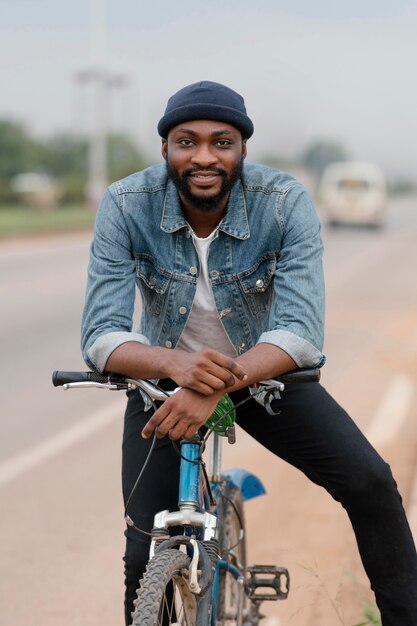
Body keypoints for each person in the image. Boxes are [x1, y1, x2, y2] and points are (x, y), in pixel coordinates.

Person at [81, 80, 417, 625]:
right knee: (143, 553)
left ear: (242, 150)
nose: (204, 156)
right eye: (186, 142)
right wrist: (173, 366)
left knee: (371, 483)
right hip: (161, 384)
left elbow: (300, 332)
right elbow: (101, 334)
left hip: (265, 376)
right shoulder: (125, 205)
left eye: (222, 141)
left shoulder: (283, 203)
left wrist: (204, 385)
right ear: (165, 148)